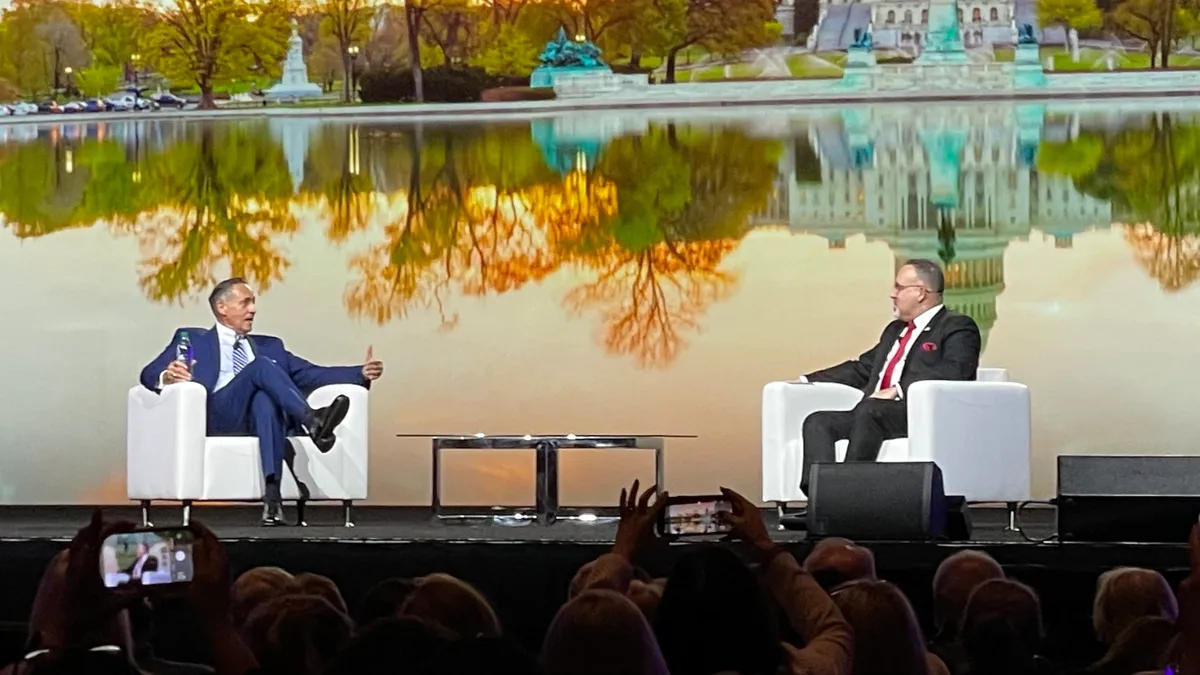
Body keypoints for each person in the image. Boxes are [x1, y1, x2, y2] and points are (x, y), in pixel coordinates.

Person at [139, 278, 385, 526]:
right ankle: (311, 420)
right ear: (222, 308)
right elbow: (148, 374)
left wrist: (359, 373)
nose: (253, 309)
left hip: (258, 419)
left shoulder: (271, 346)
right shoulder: (191, 339)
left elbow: (311, 373)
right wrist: (167, 376)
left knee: (265, 399)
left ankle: (273, 500)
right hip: (218, 415)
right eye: (245, 302)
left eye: (253, 303)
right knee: (261, 367)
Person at [795, 259, 981, 500]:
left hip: (916, 413)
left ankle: (847, 497)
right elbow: (863, 368)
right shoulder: (895, 330)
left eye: (899, 288)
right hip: (872, 413)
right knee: (819, 421)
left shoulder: (957, 326)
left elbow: (957, 371)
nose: (892, 295)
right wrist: (807, 380)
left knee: (870, 410)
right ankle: (819, 500)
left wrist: (898, 389)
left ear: (921, 293)